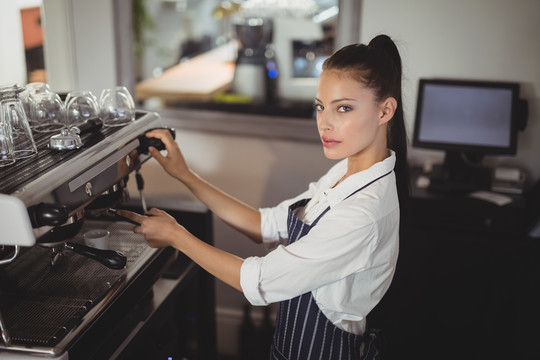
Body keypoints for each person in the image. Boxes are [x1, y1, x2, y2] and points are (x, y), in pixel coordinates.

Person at [119, 34, 409, 359]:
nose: (324, 124)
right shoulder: (346, 172)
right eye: (320, 107)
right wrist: (185, 175)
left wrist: (176, 236)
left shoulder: (363, 213)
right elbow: (264, 225)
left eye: (343, 108)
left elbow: (259, 281)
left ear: (385, 111)